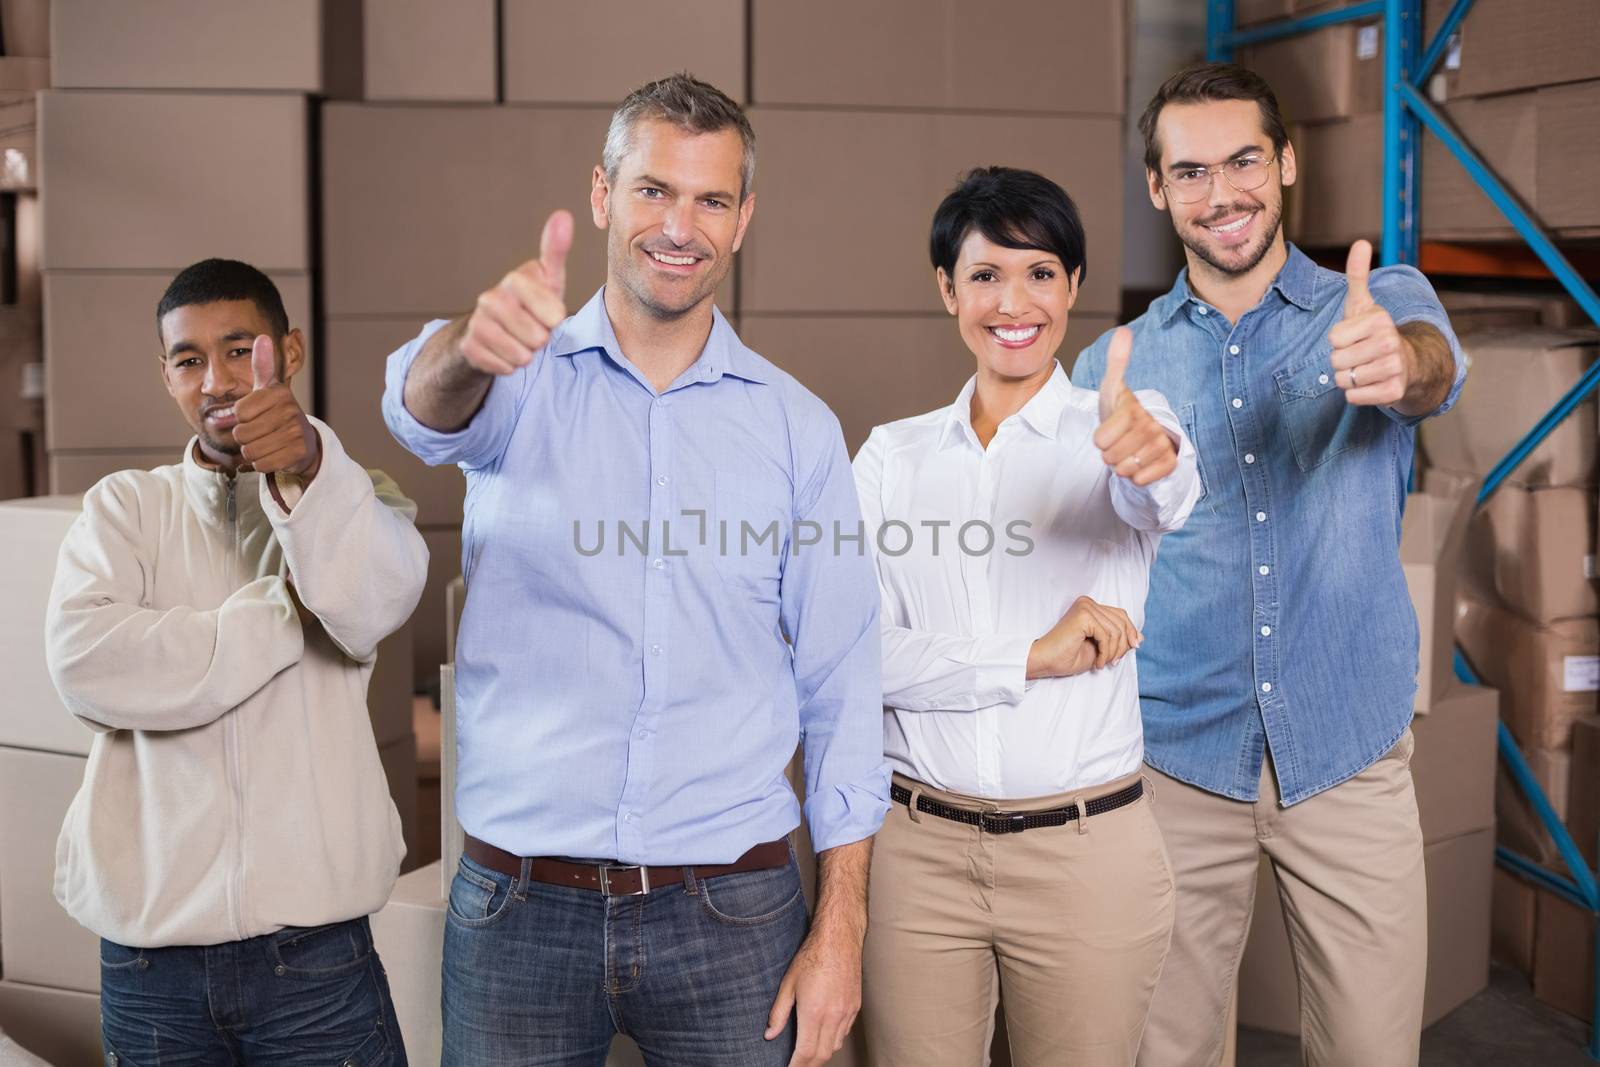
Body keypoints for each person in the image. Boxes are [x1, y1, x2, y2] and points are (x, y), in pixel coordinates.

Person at [381, 72, 888, 1066]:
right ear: (604, 194)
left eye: (709, 198)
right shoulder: (513, 385)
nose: (679, 224)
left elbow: (842, 683)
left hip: (732, 905)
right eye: (654, 189)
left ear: (743, 219)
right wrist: (466, 350)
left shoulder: (797, 429)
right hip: (517, 905)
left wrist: (842, 929)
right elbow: (420, 410)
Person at [1070, 64, 1467, 1066]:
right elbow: (1081, 554)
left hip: (1345, 745)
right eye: (1190, 171)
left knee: (1372, 1051)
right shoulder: (1115, 366)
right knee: (1164, 1051)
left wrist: (1396, 363)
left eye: (1244, 159)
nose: (1222, 193)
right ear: (1157, 189)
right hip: (1174, 762)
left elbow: (1428, 367)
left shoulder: (1378, 302)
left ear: (1285, 163)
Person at [853, 166, 1200, 1065]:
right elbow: (849, 653)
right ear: (947, 289)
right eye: (985, 275)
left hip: (1085, 854)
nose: (1015, 300)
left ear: (1074, 286)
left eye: (1041, 272)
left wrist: (1146, 456)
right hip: (916, 855)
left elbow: (1164, 489)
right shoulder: (892, 458)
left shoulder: (1119, 423)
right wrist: (1029, 657)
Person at [46, 259, 428, 1064]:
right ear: (166, 374)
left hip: (315, 961)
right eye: (189, 359)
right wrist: (279, 611)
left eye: (238, 349)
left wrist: (310, 471)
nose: (216, 379)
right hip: (151, 966)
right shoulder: (125, 507)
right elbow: (86, 663)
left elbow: (369, 607)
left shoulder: (358, 495)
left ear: (286, 351)